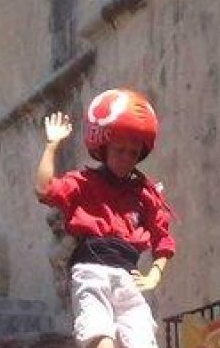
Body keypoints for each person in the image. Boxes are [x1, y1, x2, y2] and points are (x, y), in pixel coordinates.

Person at [34, 88, 176, 348]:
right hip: (91, 272)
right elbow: (45, 190)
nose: (126, 158)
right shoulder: (84, 183)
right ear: (105, 147)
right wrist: (51, 145)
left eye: (133, 153)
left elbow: (162, 237)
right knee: (101, 340)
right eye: (120, 150)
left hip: (128, 276)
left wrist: (155, 273)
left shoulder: (145, 193)